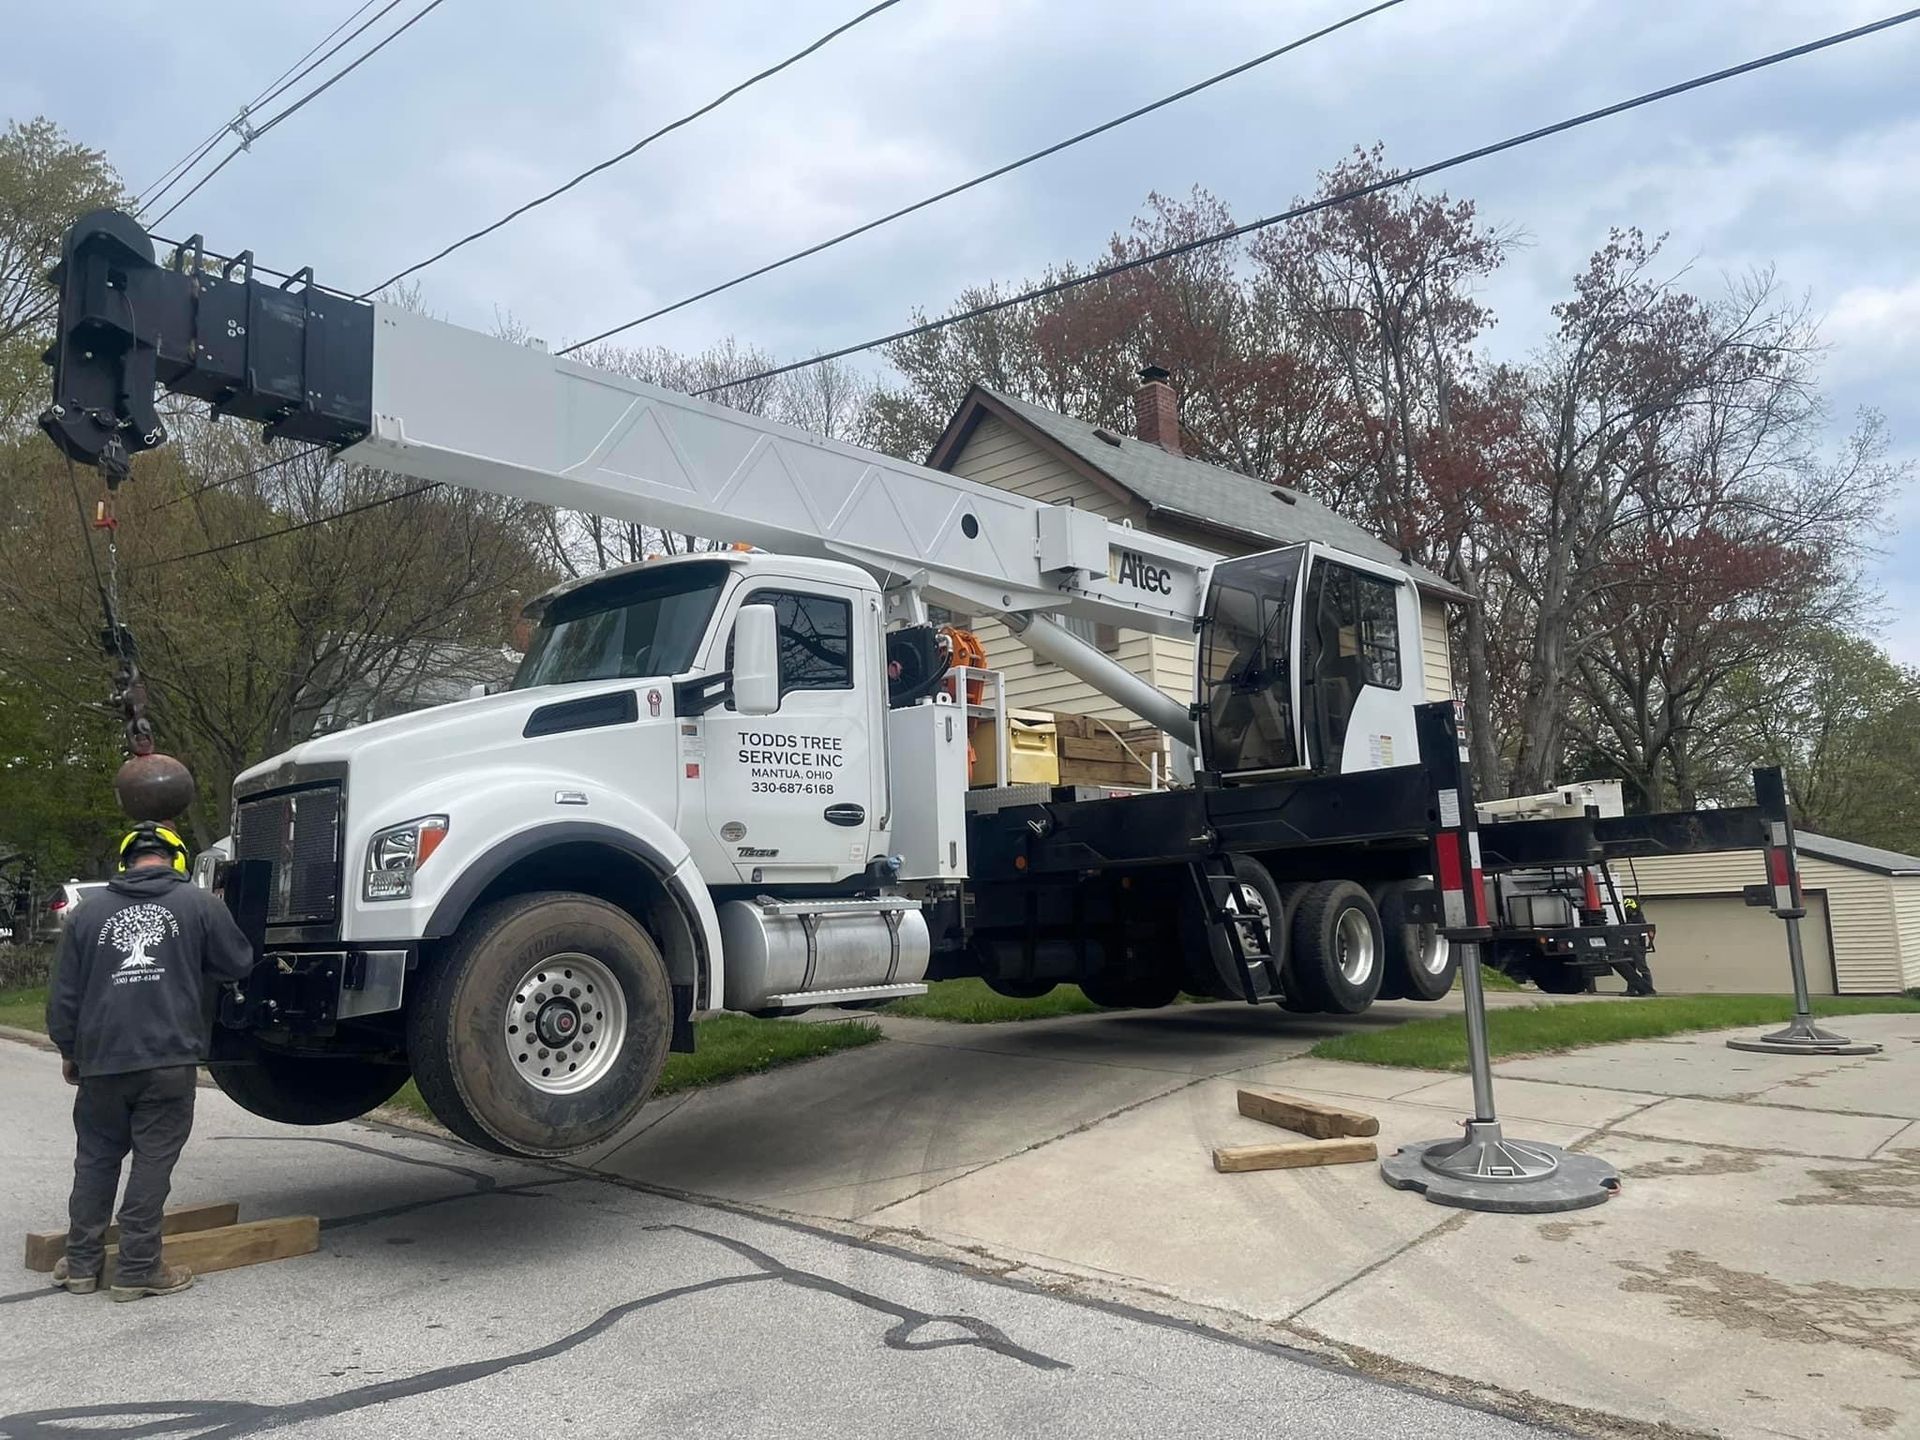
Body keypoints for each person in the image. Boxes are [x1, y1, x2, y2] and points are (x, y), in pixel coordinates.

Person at [44, 823, 254, 1302]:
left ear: (124, 861)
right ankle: (137, 1269)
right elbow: (238, 961)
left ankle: (80, 1265)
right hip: (168, 1059)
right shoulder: (200, 905)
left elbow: (65, 995)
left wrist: (68, 1051)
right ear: (177, 859)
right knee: (152, 1162)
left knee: (95, 1159)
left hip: (102, 1060)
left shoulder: (88, 913)